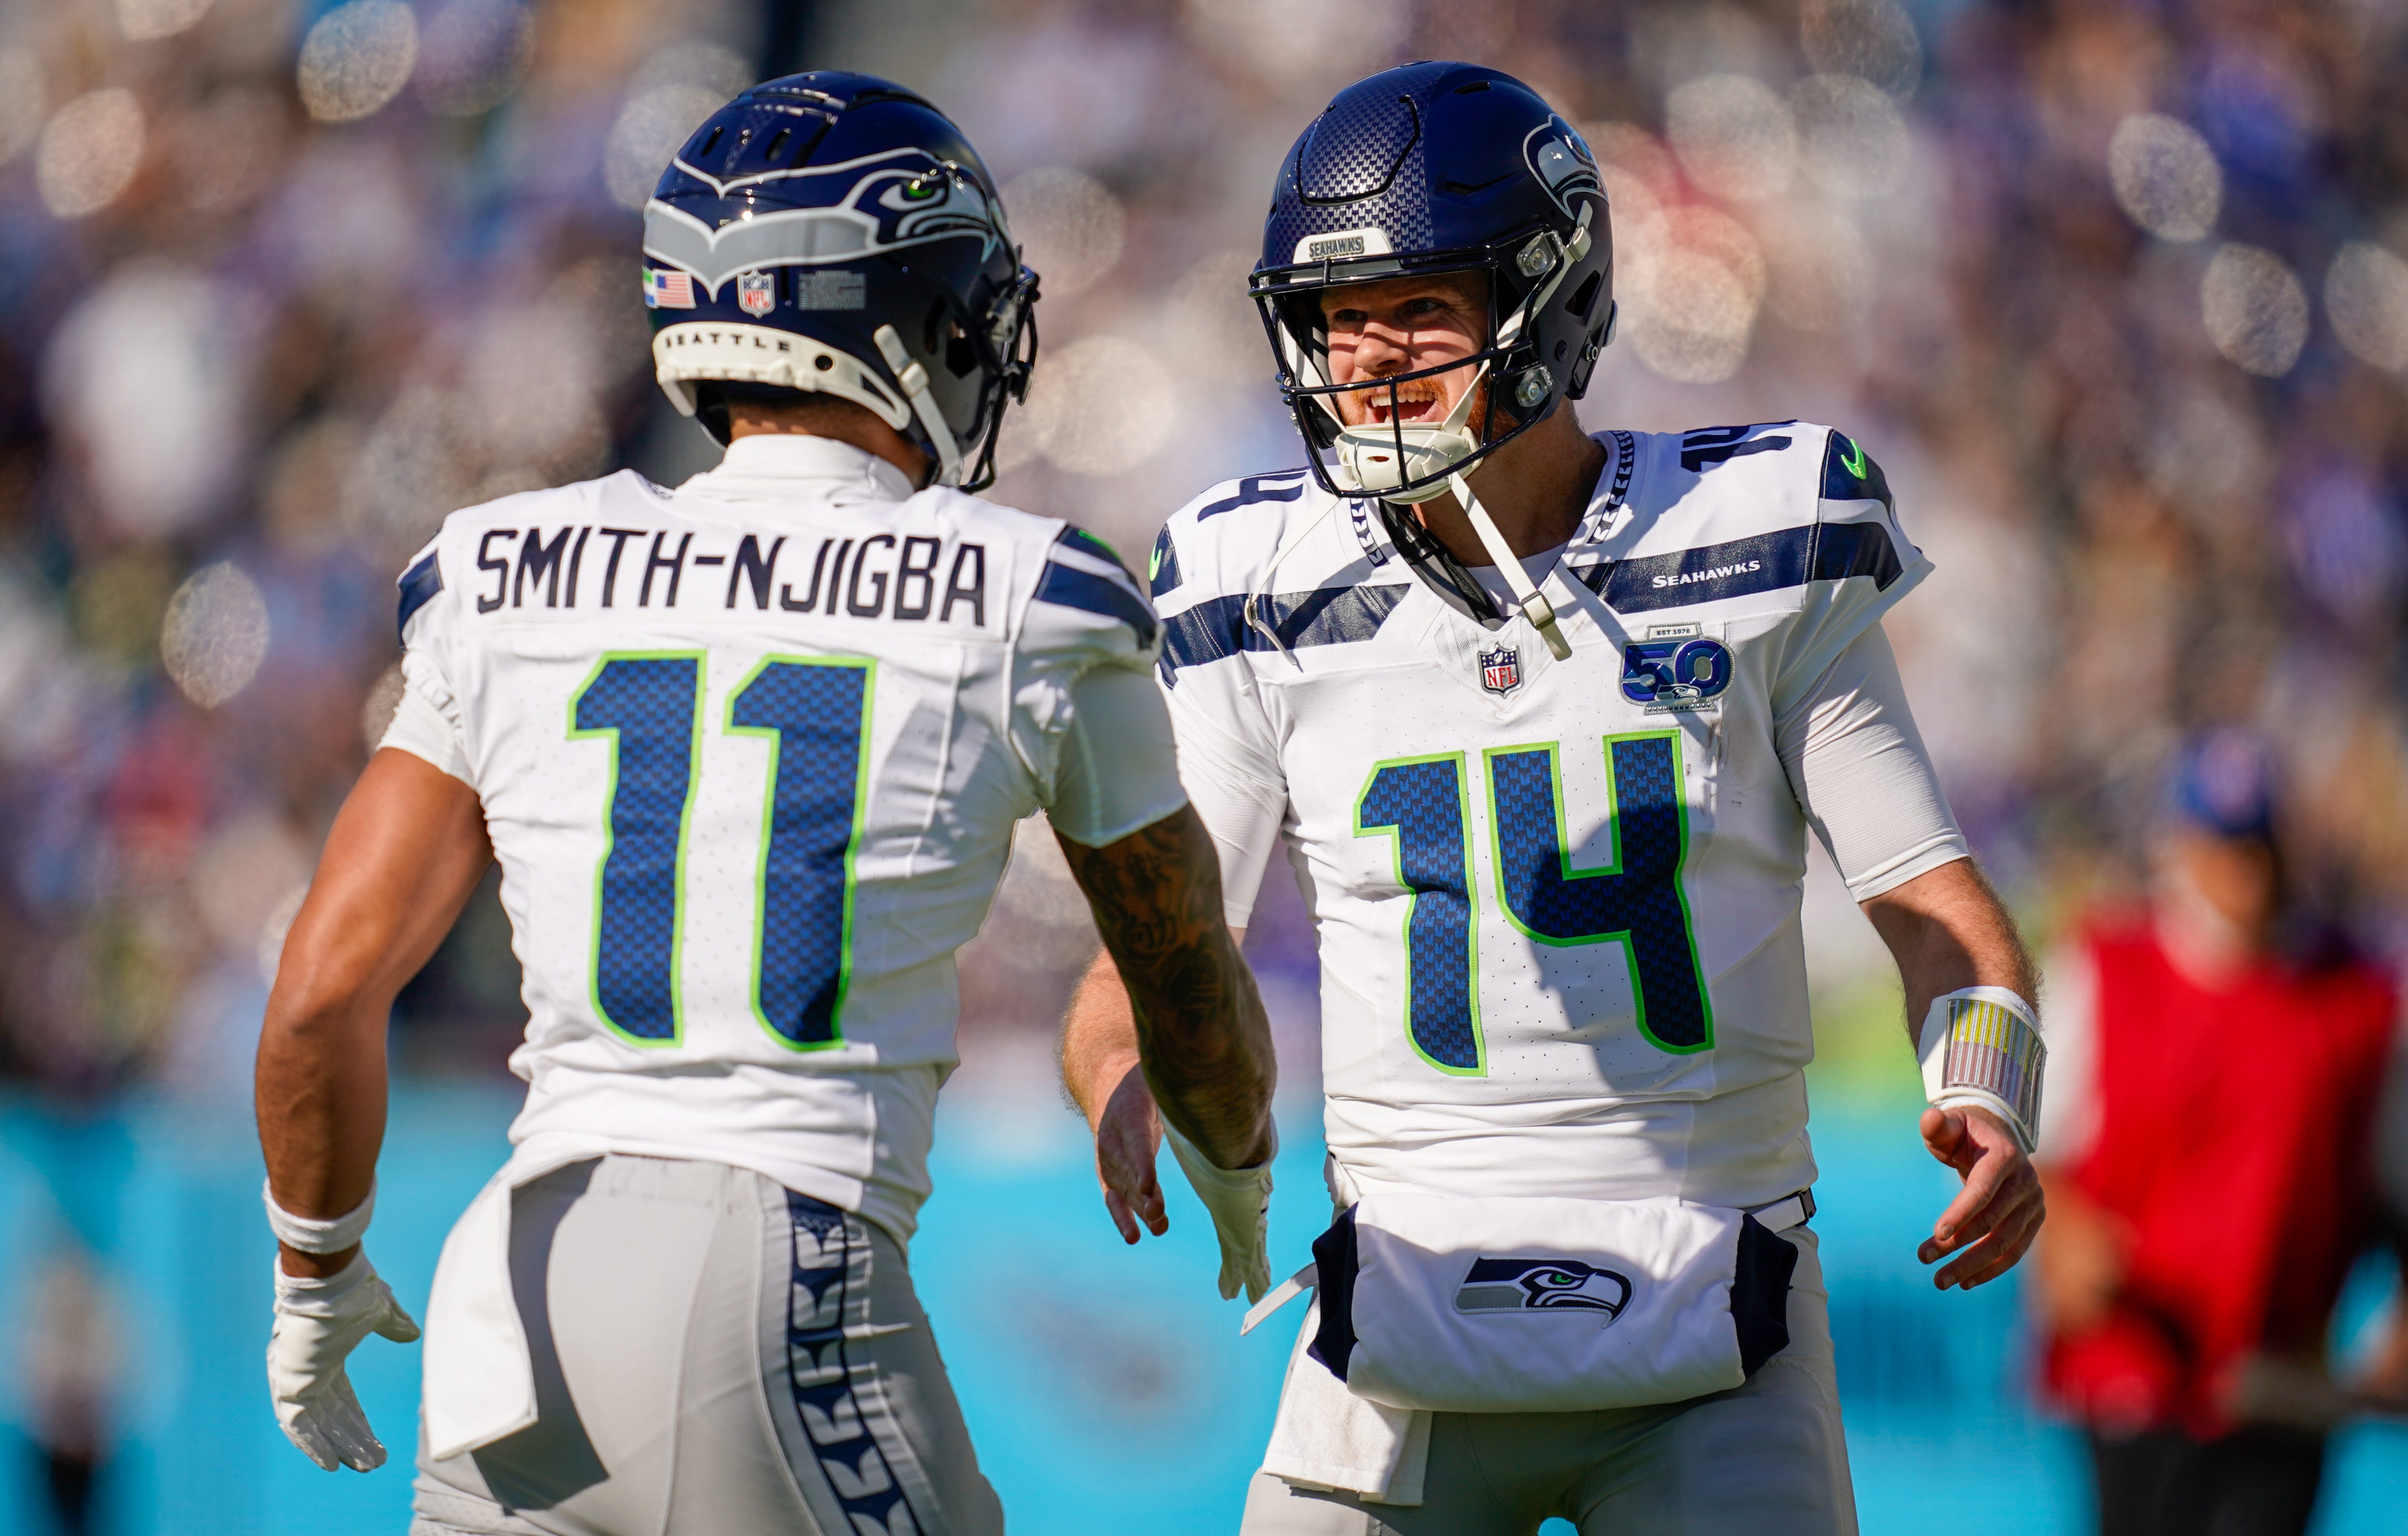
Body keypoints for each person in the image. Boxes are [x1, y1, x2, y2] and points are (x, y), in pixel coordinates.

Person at [252, 72, 1276, 1536]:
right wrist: (1236, 1167)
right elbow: (1184, 978)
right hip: (778, 1256)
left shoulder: (504, 568)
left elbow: (319, 991)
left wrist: (315, 1267)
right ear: (897, 314)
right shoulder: (1023, 591)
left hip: (518, 1286)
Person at [1058, 62, 2046, 1535]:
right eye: (1336, 317)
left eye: (1415, 307)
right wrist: (1128, 1081)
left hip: (1721, 1320)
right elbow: (1137, 964)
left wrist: (1984, 1090)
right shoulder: (1252, 579)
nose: (1367, 356)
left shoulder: (1759, 540)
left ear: (1547, 300)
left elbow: (1939, 919)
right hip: (1395, 1318)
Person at [2032, 731, 2403, 1536]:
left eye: (2259, 847)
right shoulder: (2106, 968)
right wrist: (2062, 1240)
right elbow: (2039, 1158)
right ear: (2184, 846)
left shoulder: (2356, 1006)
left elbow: (2392, 1187)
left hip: (2275, 1384)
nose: (2247, 872)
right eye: (2227, 847)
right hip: (2134, 1368)